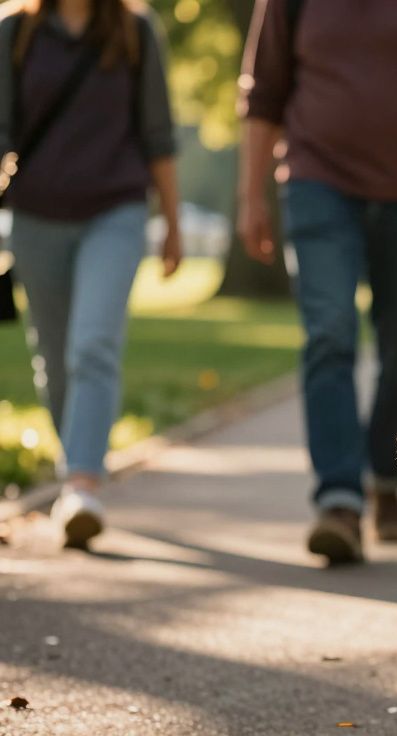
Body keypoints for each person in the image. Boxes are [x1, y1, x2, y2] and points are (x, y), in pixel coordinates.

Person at [237, 0, 397, 563]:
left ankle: (385, 476)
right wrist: (251, 196)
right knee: (329, 333)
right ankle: (339, 500)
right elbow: (263, 92)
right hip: (316, 182)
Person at [0, 0, 179, 548]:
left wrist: (172, 221)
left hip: (115, 213)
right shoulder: (15, 33)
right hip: (35, 217)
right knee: (54, 359)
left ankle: (81, 484)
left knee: (92, 346)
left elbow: (158, 133)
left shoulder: (134, 31)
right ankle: (75, 464)